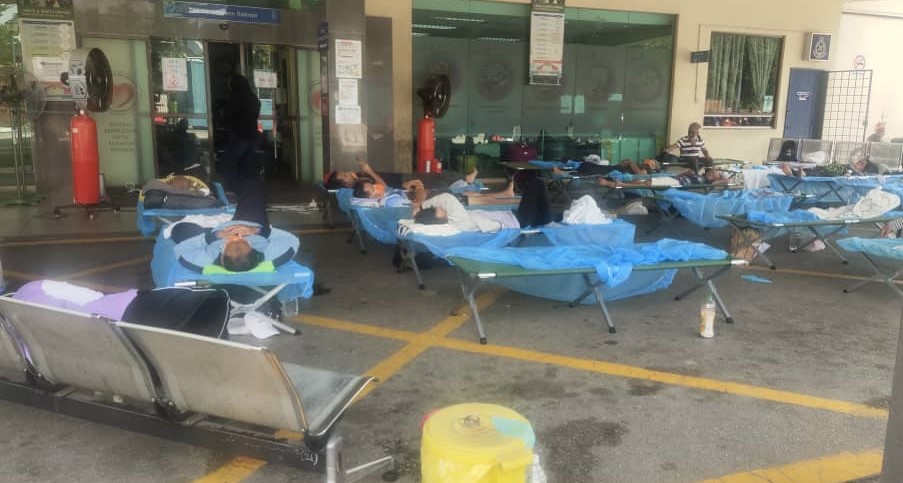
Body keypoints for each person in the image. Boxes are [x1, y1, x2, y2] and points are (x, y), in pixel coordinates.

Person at [171, 178, 298, 273]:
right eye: (243, 241)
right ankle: (232, 185)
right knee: (253, 185)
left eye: (229, 243)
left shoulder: (206, 260)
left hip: (213, 234)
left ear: (222, 259)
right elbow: (292, 240)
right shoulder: (269, 255)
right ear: (255, 252)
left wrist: (215, 236)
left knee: (179, 230)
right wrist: (256, 231)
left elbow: (181, 250)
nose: (236, 237)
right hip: (247, 225)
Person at [411, 177, 554, 231]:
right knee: (537, 183)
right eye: (440, 210)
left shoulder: (453, 222)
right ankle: (547, 221)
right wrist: (421, 206)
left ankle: (549, 220)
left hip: (514, 217)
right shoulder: (459, 220)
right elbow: (446, 198)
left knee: (547, 210)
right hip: (519, 221)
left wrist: (420, 211)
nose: (442, 208)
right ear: (439, 219)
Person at [219, 74, 261, 194]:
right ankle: (249, 188)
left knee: (230, 162)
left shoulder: (236, 98)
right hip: (252, 135)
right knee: (247, 163)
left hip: (239, 135)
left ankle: (233, 187)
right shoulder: (253, 98)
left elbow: (228, 115)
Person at [596, 167, 727, 189]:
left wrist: (720, 177)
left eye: (712, 175)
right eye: (710, 172)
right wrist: (686, 173)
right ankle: (615, 183)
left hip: (677, 185)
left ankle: (619, 184)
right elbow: (677, 176)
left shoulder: (707, 183)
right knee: (644, 180)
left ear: (714, 179)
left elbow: (726, 181)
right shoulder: (699, 176)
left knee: (649, 182)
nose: (709, 174)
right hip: (676, 180)